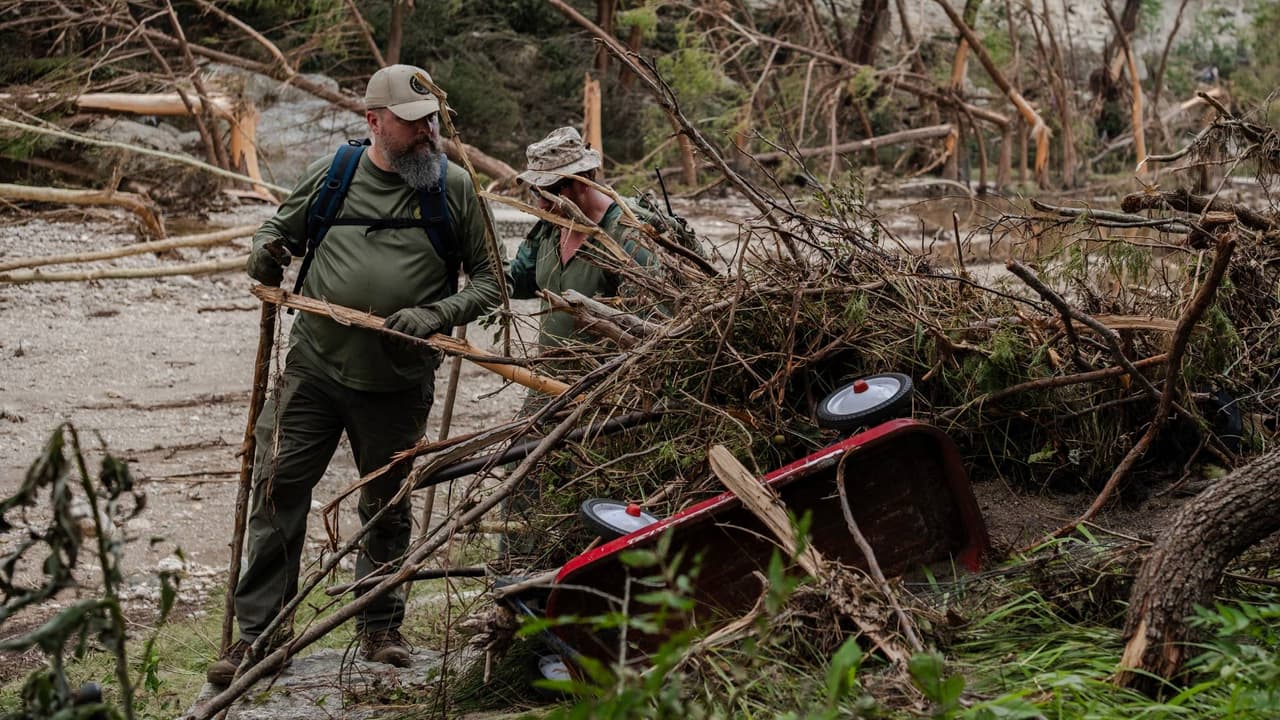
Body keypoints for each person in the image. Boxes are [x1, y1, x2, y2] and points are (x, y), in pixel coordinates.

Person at [207, 64, 501, 685]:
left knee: (387, 503)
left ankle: (380, 628)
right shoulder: (334, 174)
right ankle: (259, 636)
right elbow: (274, 234)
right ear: (374, 121)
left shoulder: (452, 188)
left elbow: (489, 282)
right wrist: (263, 254)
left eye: (431, 123)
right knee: (278, 486)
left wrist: (436, 313)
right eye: (412, 123)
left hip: (398, 380)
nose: (427, 134)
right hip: (313, 369)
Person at [506, 126, 661, 369]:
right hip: (546, 385)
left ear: (584, 180)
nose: (542, 202)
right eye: (536, 190)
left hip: (602, 393)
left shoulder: (627, 238)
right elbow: (520, 281)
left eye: (551, 190)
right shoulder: (550, 226)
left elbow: (653, 331)